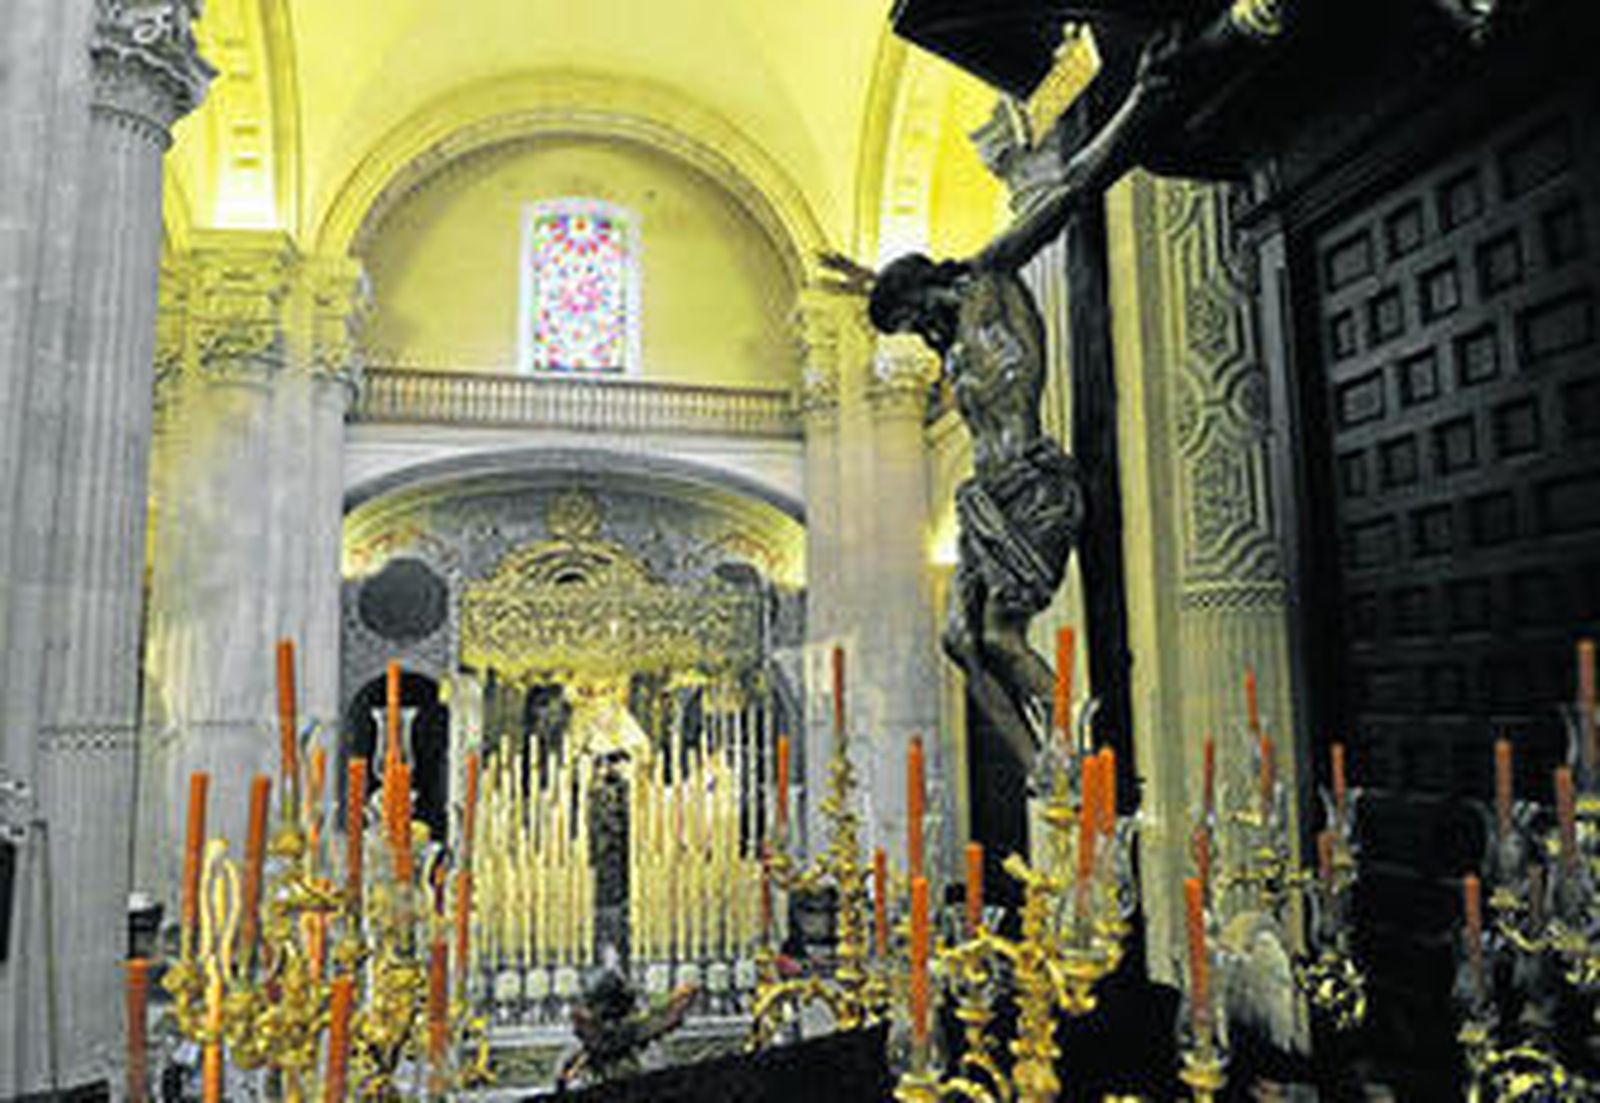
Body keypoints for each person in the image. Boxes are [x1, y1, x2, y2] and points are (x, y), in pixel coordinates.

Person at [856, 0, 1286, 774]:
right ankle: (1041, 767)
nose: (919, 332)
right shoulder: (951, 343)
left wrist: (1140, 104)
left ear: (923, 288)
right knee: (960, 639)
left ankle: (1080, 755)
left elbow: (1073, 186)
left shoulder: (992, 277)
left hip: (1033, 486)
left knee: (996, 637)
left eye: (912, 315)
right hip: (985, 497)